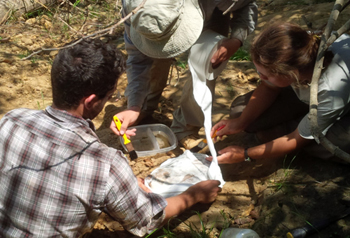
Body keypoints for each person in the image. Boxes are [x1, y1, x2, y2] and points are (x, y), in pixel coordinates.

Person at [0, 39, 221, 237]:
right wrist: (193, 195)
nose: (111, 100)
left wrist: (120, 184)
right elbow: (145, 220)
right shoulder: (105, 164)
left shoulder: (11, 119)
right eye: (110, 96)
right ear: (91, 101)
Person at [110, 0, 258, 149]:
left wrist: (236, 40)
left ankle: (186, 127)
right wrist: (134, 106)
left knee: (207, 59)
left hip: (209, 8)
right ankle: (143, 108)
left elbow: (247, 5)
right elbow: (138, 61)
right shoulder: (134, 9)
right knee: (152, 60)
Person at [208, 22, 350, 164]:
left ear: (291, 74)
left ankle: (297, 133)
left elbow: (296, 138)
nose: (260, 77)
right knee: (240, 111)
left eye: (266, 75)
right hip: (307, 90)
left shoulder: (331, 88)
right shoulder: (296, 46)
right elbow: (269, 87)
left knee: (333, 143)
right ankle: (294, 130)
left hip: (339, 103)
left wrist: (246, 154)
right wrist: (240, 122)